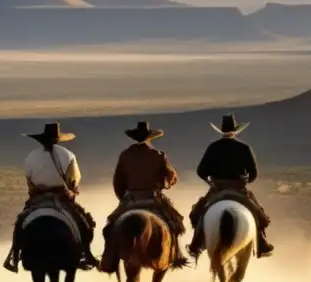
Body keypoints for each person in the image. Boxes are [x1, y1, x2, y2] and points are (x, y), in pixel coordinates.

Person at [3, 122, 99, 273]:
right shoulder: (68, 155)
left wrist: (36, 191)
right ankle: (85, 254)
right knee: (85, 222)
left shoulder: (31, 156)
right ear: (58, 139)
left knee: (20, 221)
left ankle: (14, 256)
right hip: (62, 197)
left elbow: (29, 179)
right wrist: (71, 191)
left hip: (38, 197)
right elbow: (74, 179)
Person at [98, 121, 189, 273]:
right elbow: (171, 177)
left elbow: (118, 181)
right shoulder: (158, 155)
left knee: (110, 226)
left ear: (134, 138)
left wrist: (123, 198)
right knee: (175, 223)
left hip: (131, 199)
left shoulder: (125, 155)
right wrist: (165, 183)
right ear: (150, 138)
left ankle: (108, 261)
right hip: (153, 198)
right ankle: (175, 255)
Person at [188, 114, 274, 261]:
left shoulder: (213, 147)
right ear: (236, 131)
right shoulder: (244, 147)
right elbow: (253, 173)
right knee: (258, 215)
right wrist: (247, 180)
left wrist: (210, 181)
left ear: (221, 131)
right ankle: (262, 244)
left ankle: (196, 245)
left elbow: (200, 171)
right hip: (238, 188)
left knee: (197, 214)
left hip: (217, 189)